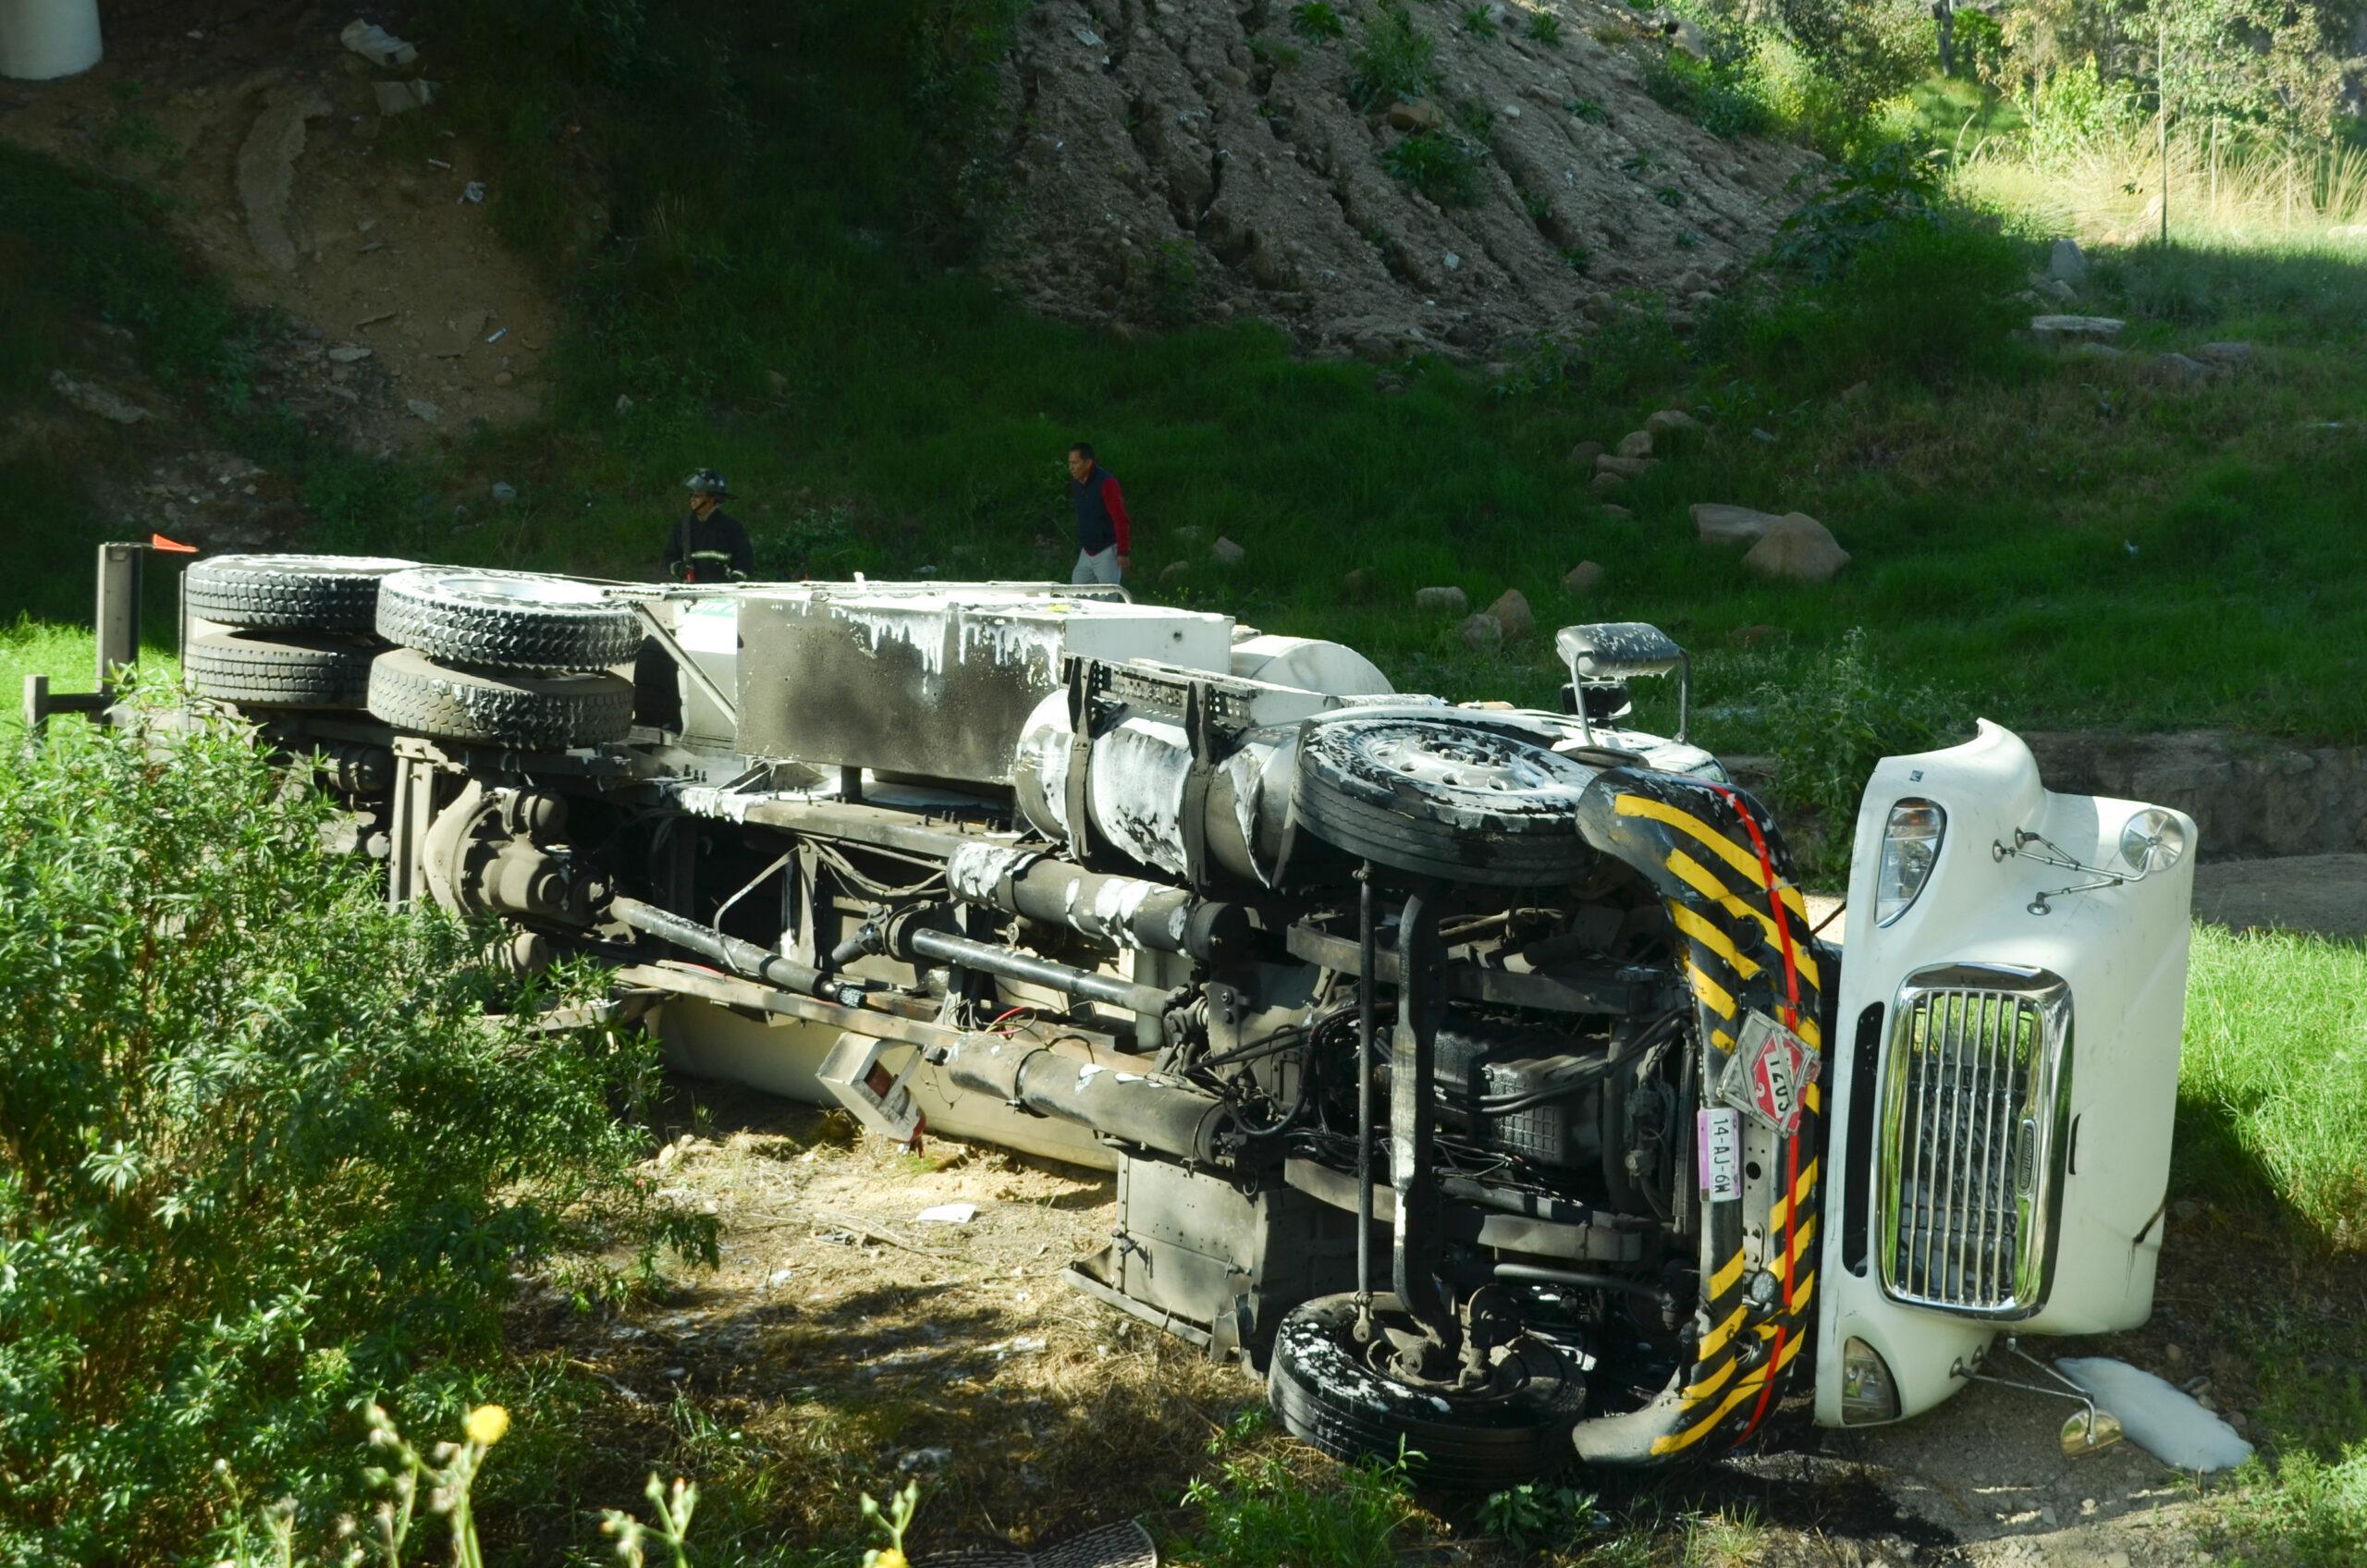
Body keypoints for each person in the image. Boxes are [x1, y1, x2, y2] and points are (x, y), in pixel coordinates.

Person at [666, 469, 754, 582]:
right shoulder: (683, 528)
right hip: (691, 593)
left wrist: (735, 580)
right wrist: (678, 568)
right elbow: (670, 557)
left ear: (713, 499)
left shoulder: (732, 528)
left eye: (697, 495)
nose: (692, 499)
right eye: (691, 495)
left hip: (723, 594)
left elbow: (745, 561)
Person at [1065, 442, 1133, 585]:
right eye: (1070, 463)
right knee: (1076, 592)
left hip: (1107, 550)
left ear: (1088, 463)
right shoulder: (1077, 482)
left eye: (1075, 463)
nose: (1070, 468)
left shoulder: (1107, 483)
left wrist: (1122, 552)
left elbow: (1120, 518)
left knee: (1107, 598)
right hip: (1087, 550)